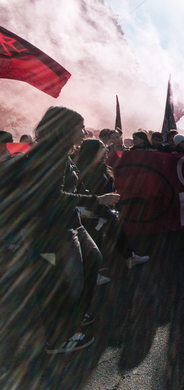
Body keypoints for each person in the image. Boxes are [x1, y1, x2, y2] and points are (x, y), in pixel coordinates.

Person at [0, 107, 120, 354]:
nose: (84, 131)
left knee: (93, 259)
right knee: (61, 281)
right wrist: (98, 200)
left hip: (66, 223)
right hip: (48, 230)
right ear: (65, 128)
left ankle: (75, 314)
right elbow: (53, 196)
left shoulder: (59, 153)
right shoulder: (49, 154)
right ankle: (57, 339)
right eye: (80, 126)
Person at [76, 139, 150, 274]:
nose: (106, 150)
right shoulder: (87, 171)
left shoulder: (101, 167)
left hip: (104, 209)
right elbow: (91, 193)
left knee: (115, 233)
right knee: (94, 242)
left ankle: (128, 257)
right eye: (102, 147)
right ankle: (91, 274)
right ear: (93, 152)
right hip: (95, 211)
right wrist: (104, 208)